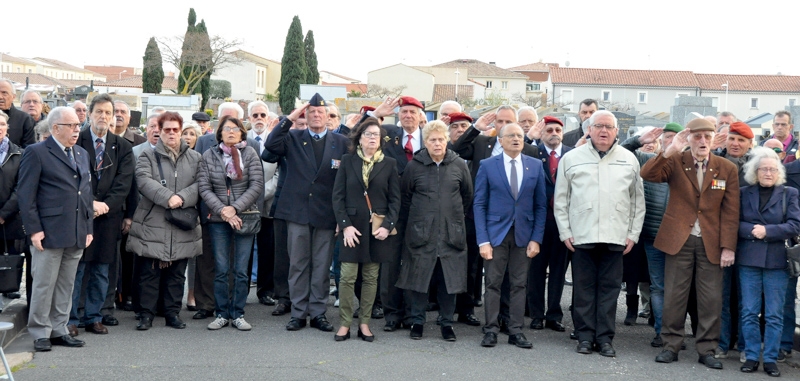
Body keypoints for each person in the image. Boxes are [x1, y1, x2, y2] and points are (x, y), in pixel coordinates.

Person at [642, 118, 739, 370]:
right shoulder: (675, 160)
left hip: (711, 242)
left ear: (714, 139)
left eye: (707, 136)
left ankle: (706, 348)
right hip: (678, 240)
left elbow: (731, 211)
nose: (702, 141)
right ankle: (670, 346)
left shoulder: (726, 168)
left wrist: (728, 246)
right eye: (697, 137)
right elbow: (648, 174)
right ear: (690, 139)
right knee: (674, 295)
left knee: (710, 299)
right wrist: (671, 148)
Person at [554, 110, 645, 357]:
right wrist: (565, 232)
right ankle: (584, 337)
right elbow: (561, 199)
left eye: (609, 127)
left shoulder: (629, 159)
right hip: (581, 237)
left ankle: (604, 339)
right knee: (583, 290)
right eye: (598, 126)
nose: (604, 131)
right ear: (589, 130)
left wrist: (632, 234)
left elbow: (637, 202)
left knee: (610, 290)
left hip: (616, 237)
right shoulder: (572, 158)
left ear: (617, 132)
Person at [265, 94, 348, 332]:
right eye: (311, 112)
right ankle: (299, 313)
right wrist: (290, 118)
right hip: (297, 212)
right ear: (305, 115)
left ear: (328, 116)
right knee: (298, 265)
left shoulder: (341, 142)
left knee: (322, 267)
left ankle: (318, 313)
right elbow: (270, 146)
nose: (316, 116)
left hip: (326, 214)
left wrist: (341, 217)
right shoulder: (292, 136)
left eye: (321, 112)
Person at [18, 107, 93, 352]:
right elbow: (26, 195)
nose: (76, 130)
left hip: (76, 230)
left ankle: (59, 329)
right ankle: (41, 332)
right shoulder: (37, 152)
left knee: (66, 284)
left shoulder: (81, 153)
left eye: (77, 125)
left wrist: (88, 226)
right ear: (55, 128)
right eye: (71, 126)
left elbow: (86, 193)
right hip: (48, 232)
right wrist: (34, 230)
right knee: (43, 284)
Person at [396, 120, 472, 341]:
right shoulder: (415, 165)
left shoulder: (458, 164)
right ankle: (417, 322)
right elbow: (406, 197)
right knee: (419, 278)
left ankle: (446, 323)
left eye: (440, 139)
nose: (437, 143)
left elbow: (467, 196)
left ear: (446, 140)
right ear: (425, 142)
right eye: (432, 140)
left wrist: (452, 218)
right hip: (421, 232)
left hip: (451, 233)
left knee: (449, 281)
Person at [127, 112, 202, 330]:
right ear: (159, 131)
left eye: (175, 130)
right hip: (153, 221)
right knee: (149, 272)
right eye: (167, 129)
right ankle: (146, 315)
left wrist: (182, 198)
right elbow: (143, 180)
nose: (171, 133)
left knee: (177, 274)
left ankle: (172, 314)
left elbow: (201, 184)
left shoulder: (196, 158)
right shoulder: (147, 156)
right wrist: (168, 198)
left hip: (182, 223)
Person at [474, 122, 546, 349]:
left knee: (518, 284)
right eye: (511, 135)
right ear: (501, 140)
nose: (516, 139)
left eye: (519, 135)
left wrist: (536, 239)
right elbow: (479, 204)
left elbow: (541, 206)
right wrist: (483, 240)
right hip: (495, 235)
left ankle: (515, 330)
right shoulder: (487, 165)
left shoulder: (534, 166)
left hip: (523, 235)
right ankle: (491, 329)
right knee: (493, 284)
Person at [69, 94, 134, 336]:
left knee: (101, 270)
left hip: (108, 218)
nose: (104, 117)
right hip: (79, 215)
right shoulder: (77, 141)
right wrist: (90, 204)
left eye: (109, 112)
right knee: (77, 270)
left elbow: (123, 183)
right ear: (89, 113)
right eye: (99, 112)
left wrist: (105, 205)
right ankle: (71, 318)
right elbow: (73, 178)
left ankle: (94, 316)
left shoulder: (122, 147)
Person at [332, 117, 400, 342]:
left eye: (376, 135)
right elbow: (338, 197)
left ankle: (365, 323)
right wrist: (345, 227)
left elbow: (395, 201)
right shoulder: (347, 160)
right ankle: (344, 324)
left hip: (377, 230)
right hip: (352, 229)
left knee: (371, 278)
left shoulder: (389, 164)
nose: (373, 138)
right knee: (347, 277)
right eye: (368, 134)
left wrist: (388, 226)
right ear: (359, 139)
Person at [736, 147, 800, 377]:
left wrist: (768, 230)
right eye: (763, 169)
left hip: (777, 261)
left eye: (773, 169)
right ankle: (752, 355)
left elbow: (795, 225)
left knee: (774, 314)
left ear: (779, 172)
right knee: (749, 311)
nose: (768, 173)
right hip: (749, 259)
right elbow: (734, 221)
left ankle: (771, 358)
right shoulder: (744, 193)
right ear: (755, 171)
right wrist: (754, 231)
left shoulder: (789, 194)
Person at [620, 122, 683, 347]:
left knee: (679, 287)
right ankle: (662, 333)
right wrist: (639, 140)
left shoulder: (689, 165)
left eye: (677, 138)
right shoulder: (649, 161)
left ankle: (675, 332)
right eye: (667, 138)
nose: (672, 142)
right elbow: (622, 151)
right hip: (653, 234)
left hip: (680, 237)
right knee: (658, 286)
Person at [199, 115, 263, 331]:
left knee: (241, 270)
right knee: (221, 268)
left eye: (235, 129)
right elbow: (204, 187)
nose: (231, 132)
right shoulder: (209, 155)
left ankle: (238, 313)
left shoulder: (250, 153)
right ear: (220, 133)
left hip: (245, 217)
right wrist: (224, 211)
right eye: (227, 129)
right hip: (218, 219)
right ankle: (221, 313)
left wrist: (235, 208)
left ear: (242, 133)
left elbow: (256, 185)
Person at [527, 116, 573, 332]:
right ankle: (536, 314)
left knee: (558, 272)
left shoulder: (572, 154)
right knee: (535, 270)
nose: (554, 133)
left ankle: (554, 314)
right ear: (541, 133)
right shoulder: (534, 152)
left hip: (564, 223)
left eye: (558, 130)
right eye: (549, 130)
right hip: (539, 222)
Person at [246, 100, 279, 306]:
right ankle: (242, 289)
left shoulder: (275, 141)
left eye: (263, 115)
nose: (259, 119)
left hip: (267, 205)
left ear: (268, 118)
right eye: (255, 115)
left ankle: (266, 291)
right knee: (245, 250)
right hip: (244, 206)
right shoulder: (242, 138)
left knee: (268, 250)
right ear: (249, 118)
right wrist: (248, 199)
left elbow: (278, 174)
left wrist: (258, 195)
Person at [0, 110, 25, 306]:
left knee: (11, 254)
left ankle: (9, 288)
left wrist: (4, 213)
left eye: (2, 124)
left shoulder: (19, 153)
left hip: (12, 216)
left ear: (7, 128)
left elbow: (21, 187)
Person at [0, 79, 35, 148]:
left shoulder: (25, 119)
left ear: (13, 97)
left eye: (4, 93)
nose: (0, 97)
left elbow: (28, 149)